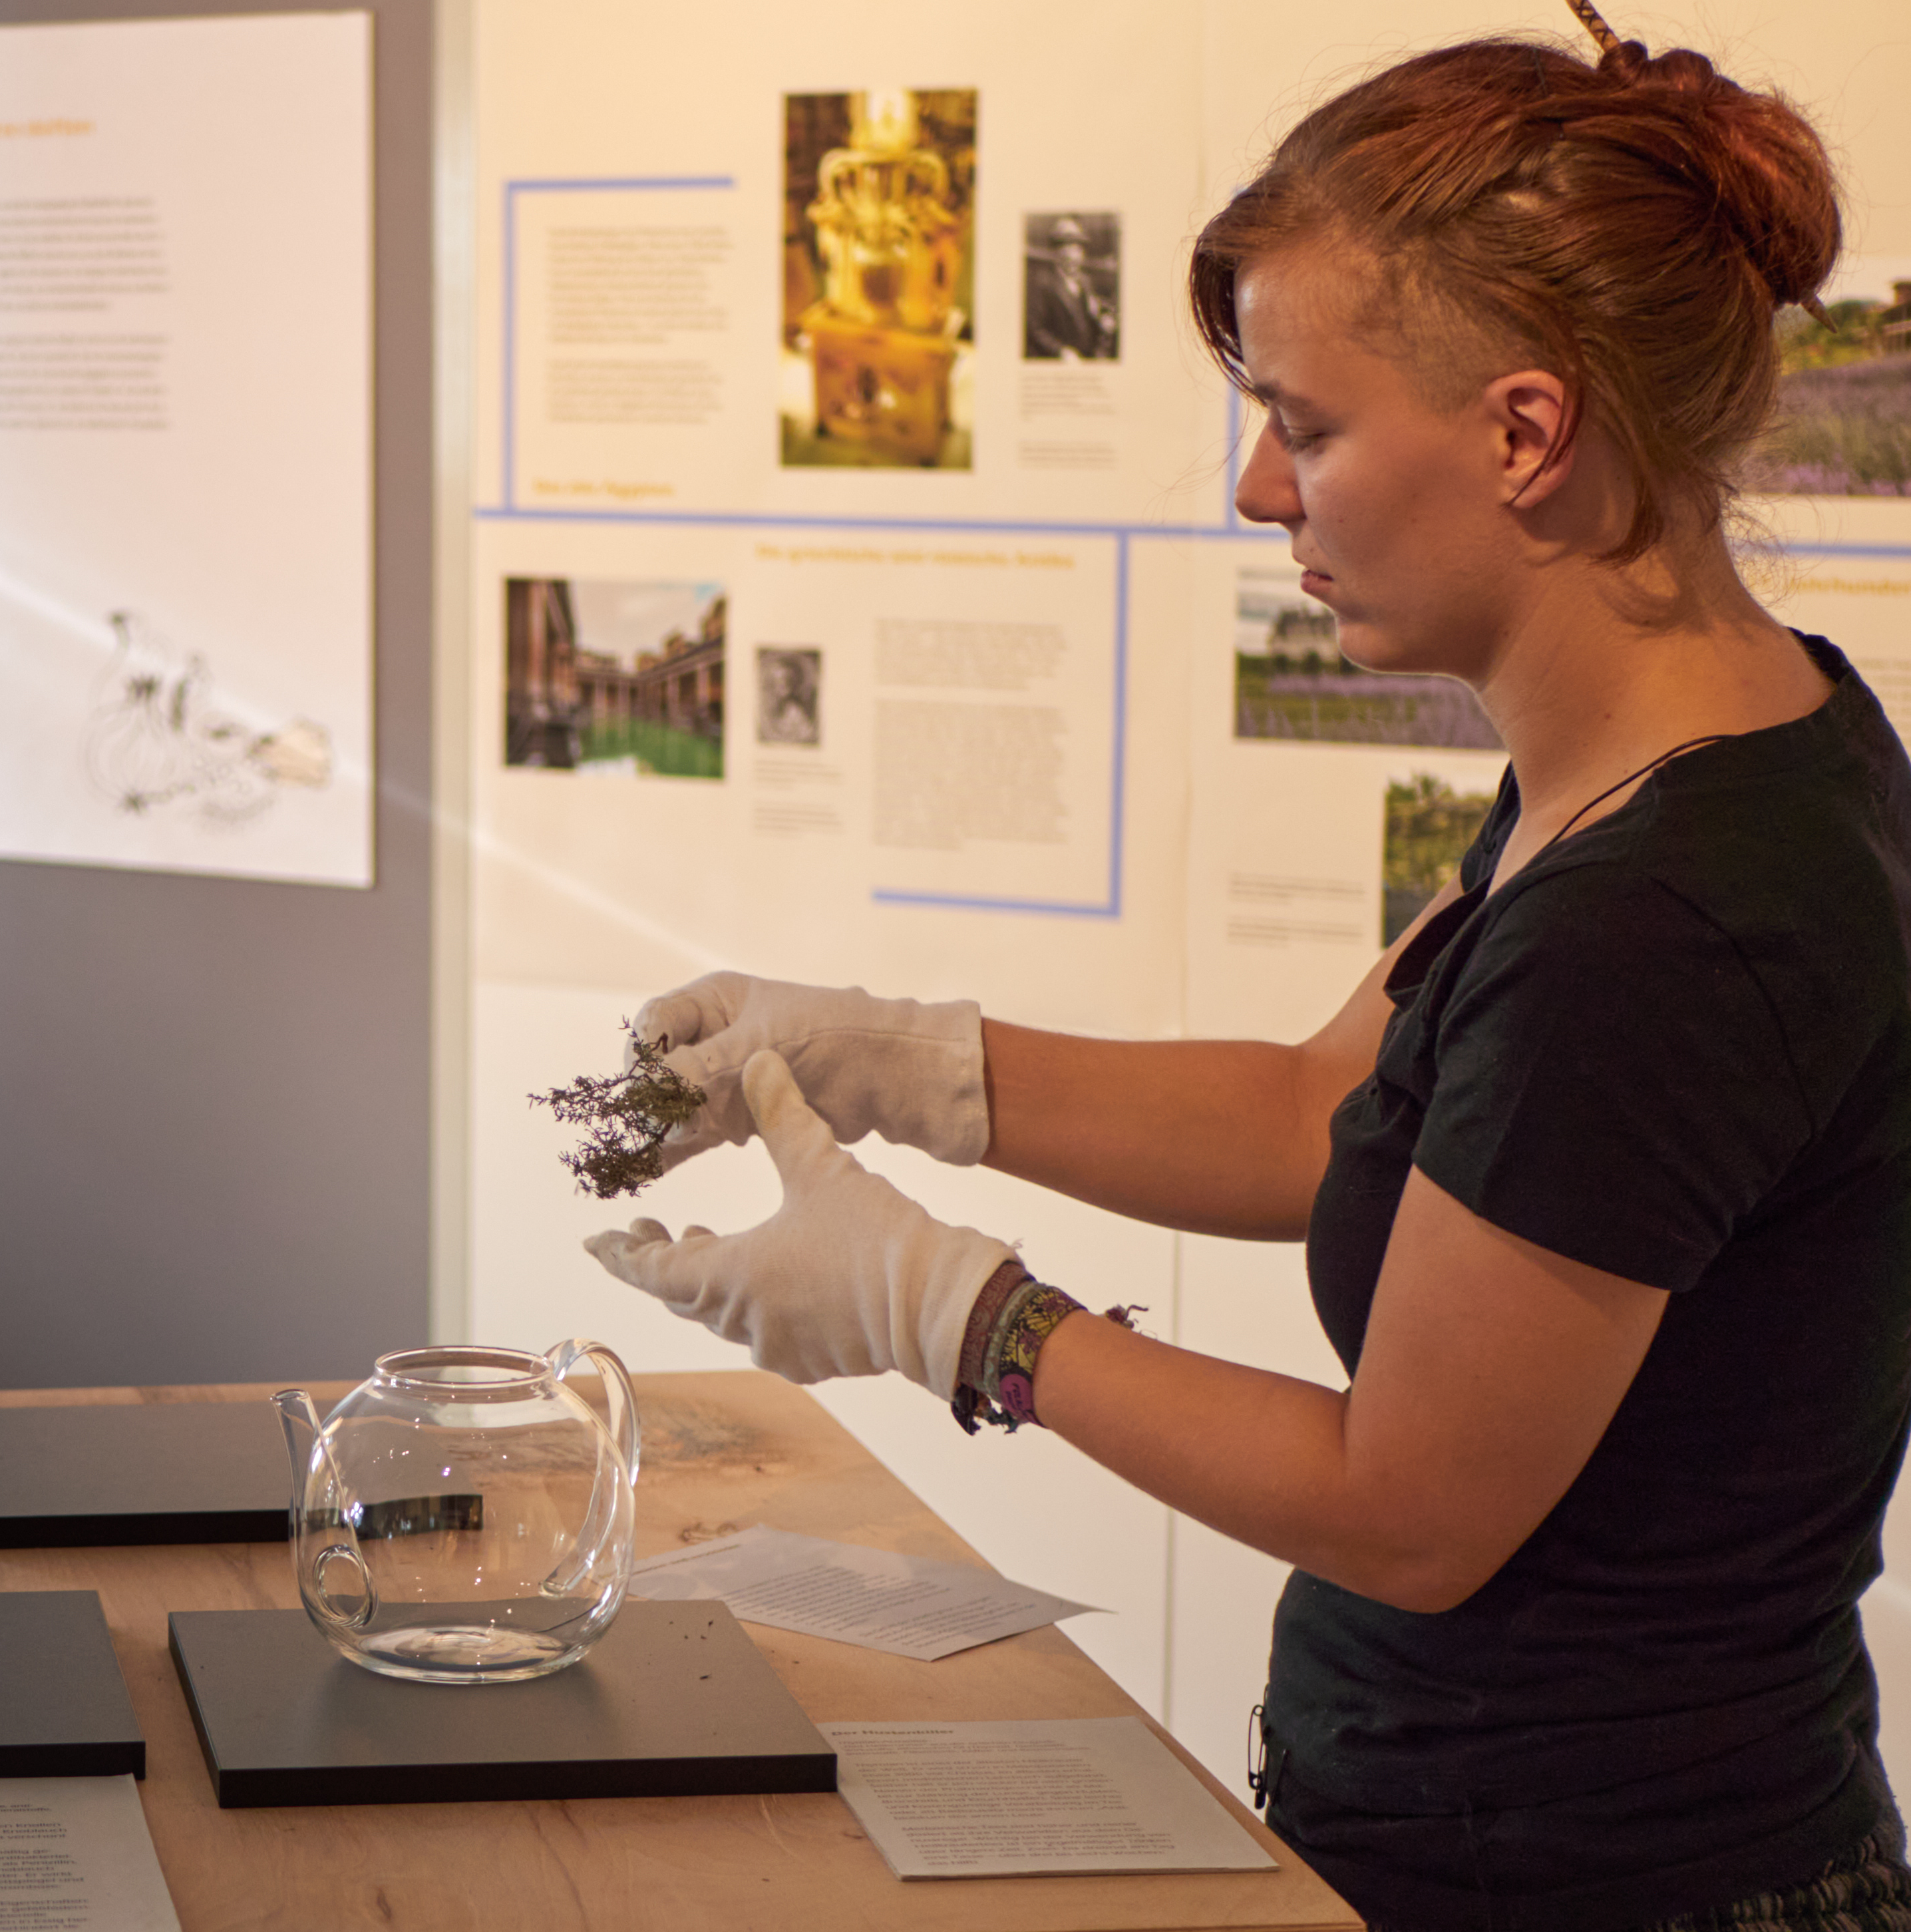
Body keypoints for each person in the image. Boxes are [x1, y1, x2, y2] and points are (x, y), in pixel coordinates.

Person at [584, 5, 1911, 1927]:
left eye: (1304, 425)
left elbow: (1407, 1509)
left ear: (1523, 432)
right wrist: (893, 1058)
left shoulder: (1662, 920)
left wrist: (954, 1311)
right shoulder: (1703, 759)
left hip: (1598, 1879)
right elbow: (1317, 1108)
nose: (1256, 490)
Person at [1023, 214, 1117, 360]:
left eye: (1078, 249)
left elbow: (1091, 312)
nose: (1074, 257)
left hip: (1089, 356)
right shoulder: (1042, 283)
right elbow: (1035, 330)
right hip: (1063, 360)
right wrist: (1060, 351)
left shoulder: (1085, 281)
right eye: (1067, 250)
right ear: (1056, 253)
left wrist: (1103, 320)